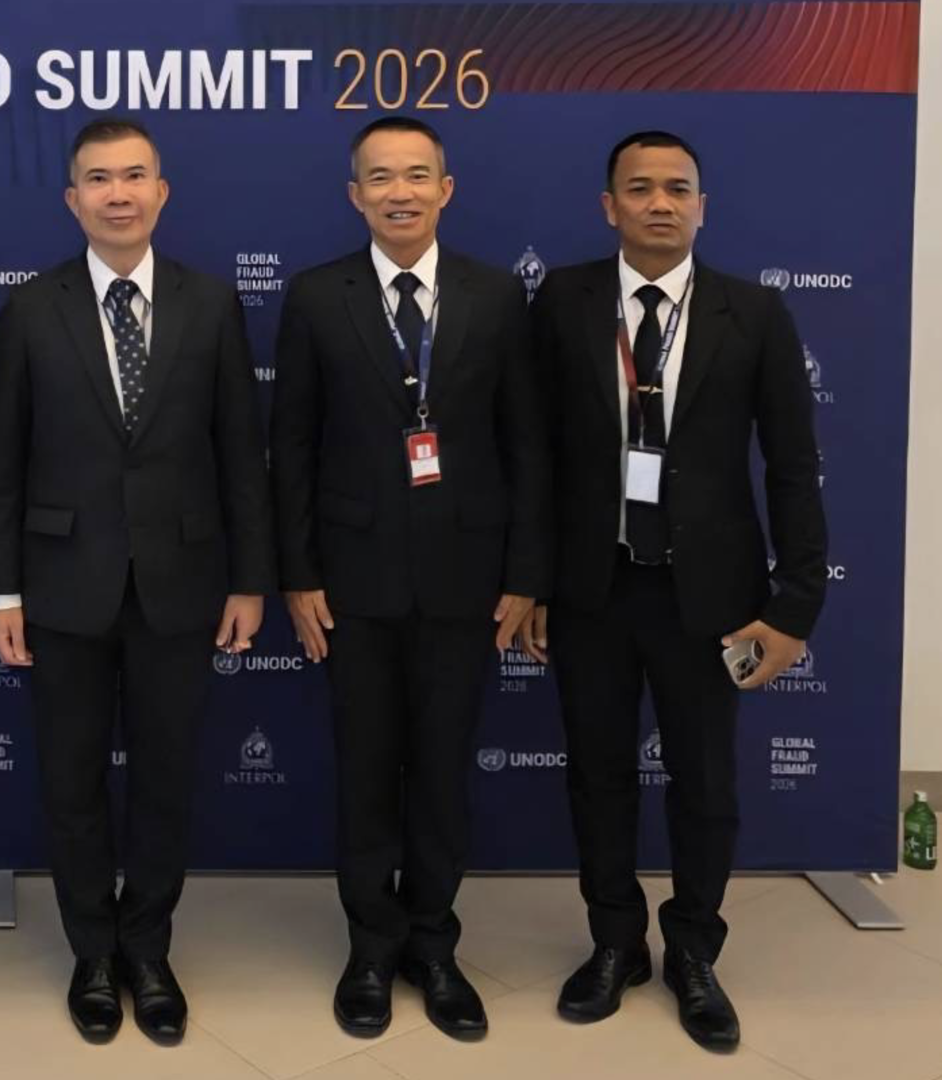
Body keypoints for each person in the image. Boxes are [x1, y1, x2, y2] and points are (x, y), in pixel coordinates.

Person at [522, 130, 827, 1051]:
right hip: (592, 587)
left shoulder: (753, 311)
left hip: (713, 597)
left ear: (703, 207)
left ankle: (694, 949)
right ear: (608, 206)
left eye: (678, 189)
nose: (660, 202)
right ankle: (615, 943)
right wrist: (529, 581)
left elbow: (793, 466)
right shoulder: (563, 302)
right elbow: (533, 456)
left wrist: (793, 604)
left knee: (705, 781)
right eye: (640, 188)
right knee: (599, 775)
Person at [0, 118, 274, 1044]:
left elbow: (241, 454)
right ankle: (92, 954)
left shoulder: (210, 303)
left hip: (182, 584)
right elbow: (1, 463)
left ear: (161, 192)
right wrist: (3, 594)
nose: (118, 194)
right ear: (73, 200)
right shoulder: (32, 309)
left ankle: (147, 949)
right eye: (99, 179)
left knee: (164, 779)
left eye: (134, 176)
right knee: (71, 783)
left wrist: (250, 580)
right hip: (60, 586)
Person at [269, 116, 548, 1041]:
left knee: (440, 773)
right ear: (356, 195)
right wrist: (297, 573)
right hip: (350, 584)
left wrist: (526, 572)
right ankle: (370, 948)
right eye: (381, 177)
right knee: (363, 772)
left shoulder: (495, 295)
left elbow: (526, 443)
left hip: (468, 582)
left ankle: (433, 945)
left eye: (417, 175)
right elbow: (292, 445)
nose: (400, 192)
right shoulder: (317, 296)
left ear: (445, 189)